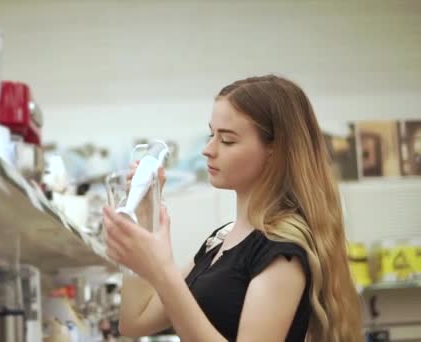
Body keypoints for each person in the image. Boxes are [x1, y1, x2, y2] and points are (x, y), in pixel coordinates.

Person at [102, 75, 362, 341]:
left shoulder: (282, 251)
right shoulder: (221, 240)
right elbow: (134, 322)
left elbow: (167, 291)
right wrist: (145, 216)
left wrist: (162, 270)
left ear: (275, 149)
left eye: (227, 140)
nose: (207, 149)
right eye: (210, 135)